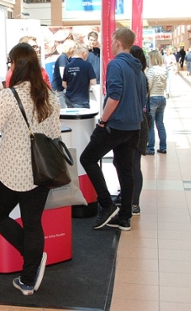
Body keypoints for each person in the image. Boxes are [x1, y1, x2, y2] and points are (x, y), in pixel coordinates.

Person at [0, 42, 60, 296]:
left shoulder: (8, 95)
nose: (10, 67)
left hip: (13, 172)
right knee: (32, 223)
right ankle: (28, 278)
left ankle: (31, 260)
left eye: (11, 62)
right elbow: (54, 136)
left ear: (17, 66)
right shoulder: (50, 96)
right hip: (42, 172)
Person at [79, 28, 147, 231]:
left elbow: (115, 95)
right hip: (134, 126)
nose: (109, 44)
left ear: (117, 42)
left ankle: (107, 204)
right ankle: (125, 217)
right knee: (125, 169)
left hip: (115, 125)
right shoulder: (138, 69)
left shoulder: (116, 64)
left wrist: (103, 120)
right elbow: (142, 100)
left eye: (111, 40)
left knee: (87, 159)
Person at [129, 45, 150, 216]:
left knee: (134, 165)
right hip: (139, 122)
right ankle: (130, 199)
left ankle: (134, 202)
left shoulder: (138, 76)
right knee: (129, 164)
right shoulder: (141, 75)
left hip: (136, 124)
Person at [146, 50, 168, 155]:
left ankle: (150, 148)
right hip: (162, 98)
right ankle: (163, 147)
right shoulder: (164, 70)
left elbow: (148, 85)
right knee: (160, 123)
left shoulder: (151, 71)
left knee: (150, 124)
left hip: (153, 98)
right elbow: (165, 85)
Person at [62, 43, 96, 108]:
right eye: (87, 54)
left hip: (69, 98)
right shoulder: (87, 65)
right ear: (84, 53)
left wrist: (72, 88)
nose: (87, 56)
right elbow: (93, 82)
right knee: (82, 118)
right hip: (82, 100)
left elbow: (64, 84)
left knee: (71, 117)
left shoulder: (68, 66)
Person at [51, 39, 75, 108]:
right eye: (73, 48)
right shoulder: (63, 58)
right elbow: (63, 74)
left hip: (61, 89)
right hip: (59, 89)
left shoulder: (66, 58)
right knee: (63, 110)